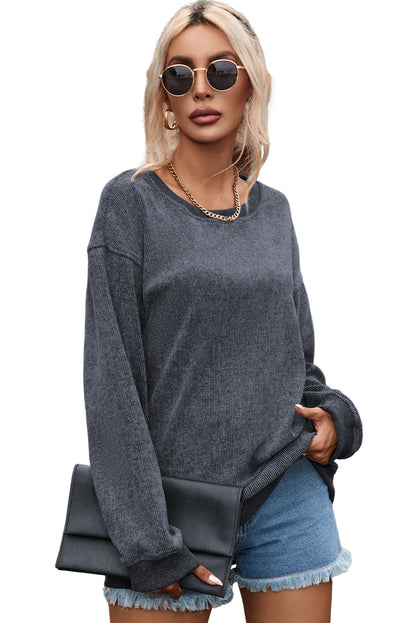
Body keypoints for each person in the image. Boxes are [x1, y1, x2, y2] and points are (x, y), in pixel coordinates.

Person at [83, 1, 363, 621]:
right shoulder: (129, 204)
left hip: (285, 492)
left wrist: (336, 420)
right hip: (167, 507)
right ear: (164, 96)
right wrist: (146, 541)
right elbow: (111, 386)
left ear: (251, 85)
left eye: (222, 70)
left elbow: (295, 363)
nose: (202, 89)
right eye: (180, 74)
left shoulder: (274, 211)